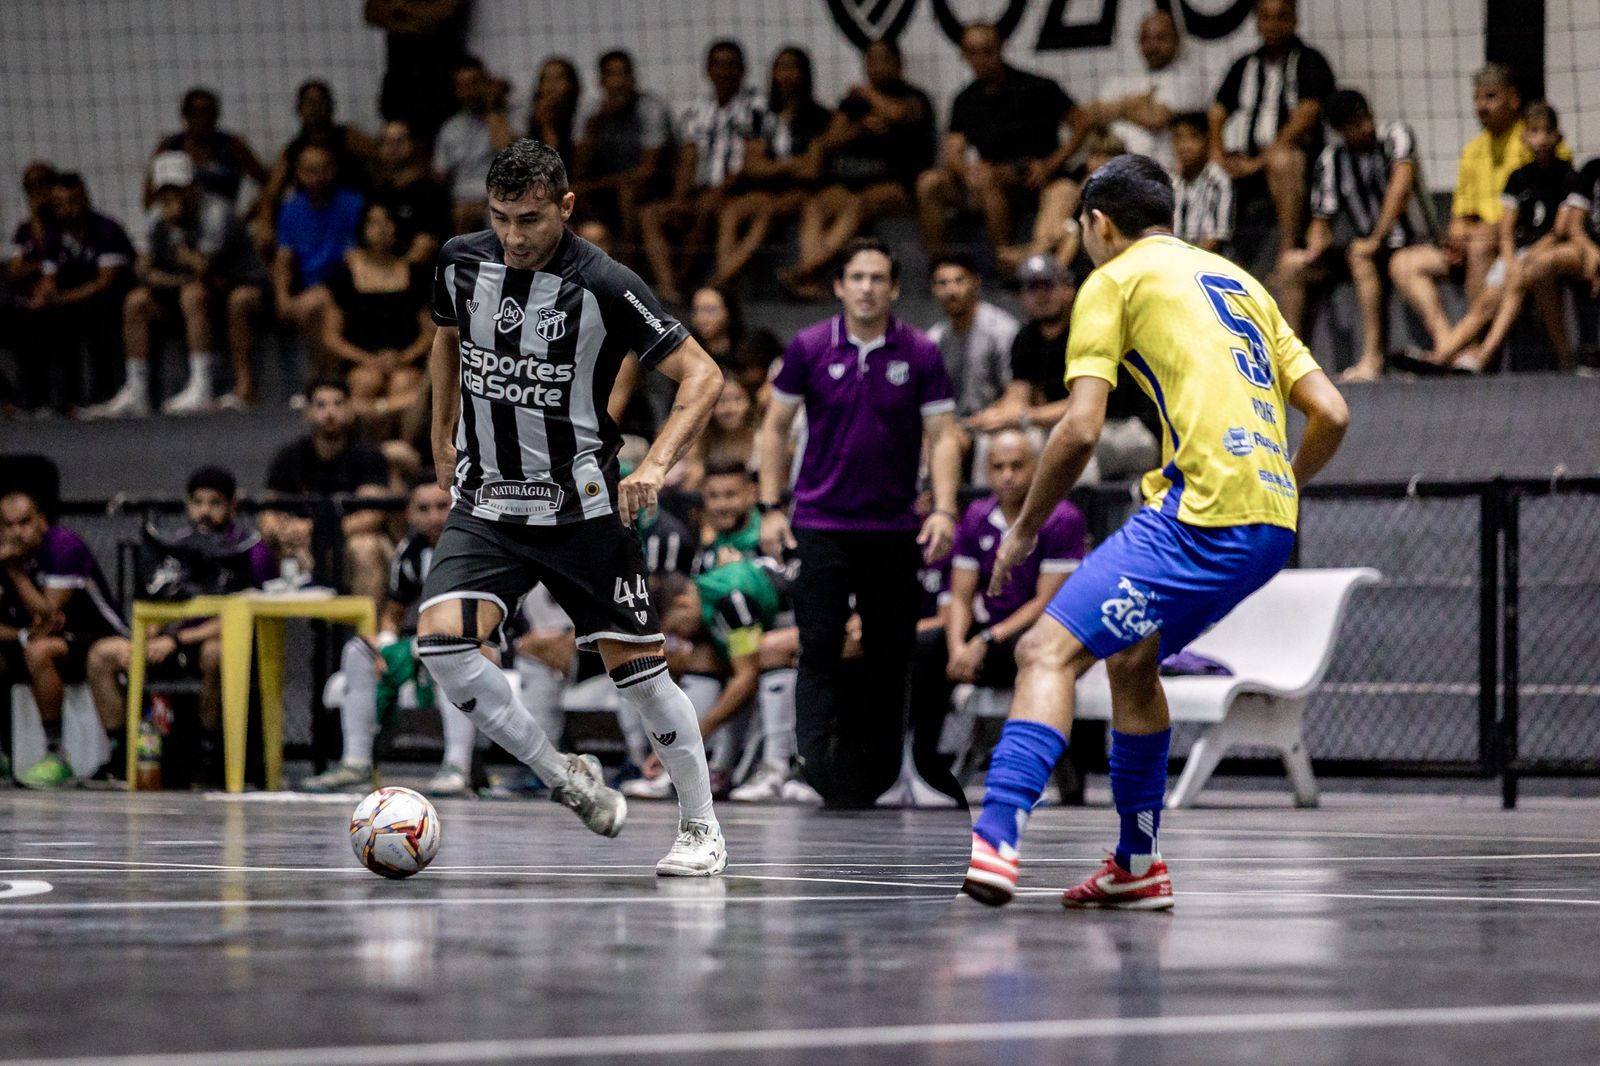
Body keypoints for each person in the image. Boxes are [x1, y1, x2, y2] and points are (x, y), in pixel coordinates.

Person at [960, 154, 1349, 910]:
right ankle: (1137, 866)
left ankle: (998, 834)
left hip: (1198, 511)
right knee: (1133, 662)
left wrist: (1022, 531)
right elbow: (1332, 411)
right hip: (1267, 522)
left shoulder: (1113, 278)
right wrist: (1283, 486)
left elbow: (1078, 430)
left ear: (1099, 225)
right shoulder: (1239, 279)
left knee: (1045, 649)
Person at [418, 139, 730, 874]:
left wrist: (655, 466)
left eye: (530, 219)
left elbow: (704, 376)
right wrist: (441, 437)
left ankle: (701, 827)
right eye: (501, 218)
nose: (514, 237)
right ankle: (565, 779)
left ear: (565, 206)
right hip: (486, 500)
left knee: (642, 678)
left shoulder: (605, 282)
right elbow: (446, 342)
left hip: (581, 510)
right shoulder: (460, 261)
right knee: (442, 644)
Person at [757, 237, 962, 807]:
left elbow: (945, 437)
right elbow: (773, 427)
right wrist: (771, 508)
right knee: (819, 646)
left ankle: (883, 774)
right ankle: (815, 767)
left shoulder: (919, 352)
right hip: (820, 523)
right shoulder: (809, 346)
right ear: (839, 286)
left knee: (889, 652)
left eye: (878, 278)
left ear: (894, 288)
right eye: (857, 277)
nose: (867, 288)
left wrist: (943, 508)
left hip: (895, 529)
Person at [909, 429, 1085, 801]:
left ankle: (1060, 775)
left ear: (1037, 468)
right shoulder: (975, 516)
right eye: (997, 467)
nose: (1007, 475)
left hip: (1041, 634)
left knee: (1036, 650)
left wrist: (986, 639)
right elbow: (960, 594)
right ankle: (925, 771)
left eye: (1016, 466)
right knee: (927, 648)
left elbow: (1046, 602)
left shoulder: (1062, 518)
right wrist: (958, 646)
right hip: (987, 637)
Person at [83, 466, 275, 784]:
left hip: (225, 643)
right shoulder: (174, 547)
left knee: (215, 653)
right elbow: (155, 603)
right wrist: (147, 639)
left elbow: (253, 615)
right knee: (102, 654)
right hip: (173, 640)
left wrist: (179, 638)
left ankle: (209, 754)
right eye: (197, 502)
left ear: (232, 507)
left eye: (214, 503)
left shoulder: (251, 552)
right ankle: (122, 753)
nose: (205, 511)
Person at [303, 477, 479, 796]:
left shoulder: (476, 548)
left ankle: (457, 766)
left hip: (475, 645)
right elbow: (394, 613)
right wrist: (384, 643)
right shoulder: (410, 552)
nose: (434, 517)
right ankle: (355, 762)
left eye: (443, 506)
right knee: (359, 649)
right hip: (421, 647)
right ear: (410, 514)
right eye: (423, 509)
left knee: (447, 651)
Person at [1275, 90, 1441, 380]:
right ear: (1339, 130)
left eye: (1365, 118)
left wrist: (1376, 239)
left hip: (1410, 242)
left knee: (1360, 255)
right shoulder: (1332, 159)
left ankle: (1372, 358)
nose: (1364, 127)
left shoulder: (1396, 136)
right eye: (1353, 124)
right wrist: (1315, 246)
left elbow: (1400, 189)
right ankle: (1291, 363)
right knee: (1291, 265)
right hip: (1366, 246)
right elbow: (1322, 220)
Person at [88, 151, 266, 419]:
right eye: (165, 192)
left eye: (178, 189)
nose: (172, 198)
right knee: (137, 301)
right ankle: (137, 391)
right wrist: (162, 276)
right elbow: (144, 270)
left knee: (193, 294)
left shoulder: (217, 213)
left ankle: (202, 386)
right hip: (191, 293)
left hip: (234, 289)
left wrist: (177, 234)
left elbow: (201, 269)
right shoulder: (159, 219)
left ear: (193, 186)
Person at [1419, 104, 1576, 374]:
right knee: (1487, 301)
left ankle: (1487, 356)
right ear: (1524, 137)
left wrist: (1526, 256)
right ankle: (1441, 356)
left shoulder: (1567, 175)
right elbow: (1506, 229)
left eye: (1546, 132)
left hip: (1547, 251)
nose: (1540, 140)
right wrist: (1510, 257)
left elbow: (1559, 230)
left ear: (1556, 137)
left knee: (1537, 282)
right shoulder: (1518, 178)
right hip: (1518, 253)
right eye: (1534, 132)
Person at [916, 23, 1086, 257]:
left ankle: (1005, 262)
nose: (980, 59)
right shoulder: (965, 100)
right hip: (989, 183)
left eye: (987, 51)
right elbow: (953, 150)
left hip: (1036, 178)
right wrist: (966, 171)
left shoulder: (1036, 87)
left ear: (1001, 49)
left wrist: (1051, 163)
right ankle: (939, 265)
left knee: (990, 178)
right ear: (963, 55)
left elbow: (1081, 123)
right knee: (929, 182)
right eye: (972, 52)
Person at [783, 39, 935, 298]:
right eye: (871, 61)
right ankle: (810, 284)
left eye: (883, 60)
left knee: (860, 204)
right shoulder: (853, 103)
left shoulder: (914, 97)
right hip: (852, 181)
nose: (876, 67)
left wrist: (869, 96)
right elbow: (828, 141)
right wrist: (857, 129)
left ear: (899, 64)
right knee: (816, 204)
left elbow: (899, 114)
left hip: (899, 185)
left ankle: (808, 268)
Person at [1, 491, 127, 788]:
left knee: (39, 651)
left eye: (25, 523)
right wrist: (20, 632)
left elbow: (48, 615)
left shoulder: (63, 546)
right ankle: (4, 753)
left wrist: (14, 573)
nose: (17, 533)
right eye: (8, 525)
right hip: (40, 636)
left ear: (42, 521)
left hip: (94, 633)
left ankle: (56, 754)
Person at [640, 39, 766, 303]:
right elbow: (688, 159)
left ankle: (695, 281)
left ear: (742, 70)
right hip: (700, 191)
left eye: (731, 65)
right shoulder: (695, 109)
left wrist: (719, 191)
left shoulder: (755, 106)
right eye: (718, 64)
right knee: (651, 215)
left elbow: (750, 161)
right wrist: (679, 198)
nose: (724, 71)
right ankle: (669, 290)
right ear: (707, 70)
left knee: (708, 209)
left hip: (739, 190)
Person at [1210, 0, 1335, 255]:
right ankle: (1205, 249)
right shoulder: (1244, 64)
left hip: (1297, 162)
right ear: (1257, 22)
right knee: (1196, 162)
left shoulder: (1310, 60)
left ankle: (1288, 247)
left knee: (1282, 160)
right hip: (1247, 158)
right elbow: (1217, 110)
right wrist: (1217, 152)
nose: (1273, 25)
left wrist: (1259, 161)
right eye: (1265, 18)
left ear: (1294, 20)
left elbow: (1307, 113)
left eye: (1281, 17)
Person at [260, 378, 395, 601]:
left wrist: (316, 531)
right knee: (268, 546)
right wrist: (281, 531)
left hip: (350, 540)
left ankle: (368, 634)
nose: (329, 412)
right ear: (307, 412)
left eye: (338, 404)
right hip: (303, 542)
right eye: (320, 405)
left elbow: (371, 517)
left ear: (351, 411)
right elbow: (267, 511)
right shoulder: (289, 456)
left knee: (366, 547)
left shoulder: (368, 455)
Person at [709, 47, 831, 288]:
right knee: (732, 212)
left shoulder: (819, 116)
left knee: (770, 209)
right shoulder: (759, 114)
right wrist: (792, 164)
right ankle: (726, 276)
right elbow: (752, 166)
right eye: (781, 67)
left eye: (793, 67)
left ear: (805, 73)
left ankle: (719, 283)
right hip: (760, 190)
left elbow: (811, 170)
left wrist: (772, 166)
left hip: (798, 193)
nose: (786, 74)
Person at [19, 174, 135, 413]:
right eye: (60, 203)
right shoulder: (55, 234)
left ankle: (103, 396)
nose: (67, 209)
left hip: (112, 301)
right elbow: (50, 277)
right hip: (76, 304)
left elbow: (105, 282)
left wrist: (61, 298)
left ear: (85, 200)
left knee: (96, 317)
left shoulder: (106, 229)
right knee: (35, 318)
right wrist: (43, 296)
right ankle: (45, 400)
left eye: (73, 201)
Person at [321, 202, 435, 421]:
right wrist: (368, 359)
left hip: (404, 360)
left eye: (388, 222)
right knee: (365, 381)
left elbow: (428, 332)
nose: (382, 229)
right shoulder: (344, 278)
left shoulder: (416, 276)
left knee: (404, 382)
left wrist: (403, 357)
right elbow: (331, 337)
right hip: (360, 361)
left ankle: (402, 450)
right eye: (374, 222)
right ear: (363, 229)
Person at [570, 50, 674, 251]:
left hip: (655, 185)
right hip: (606, 187)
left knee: (626, 191)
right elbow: (578, 169)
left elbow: (648, 170)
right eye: (611, 75)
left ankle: (628, 258)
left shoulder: (650, 108)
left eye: (623, 74)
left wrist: (599, 184)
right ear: (600, 81)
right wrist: (596, 126)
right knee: (570, 195)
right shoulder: (591, 111)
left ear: (633, 78)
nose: (618, 82)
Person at [1081, 10, 1210, 171]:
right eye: (1145, 39)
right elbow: (1087, 114)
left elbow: (1155, 118)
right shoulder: (1123, 79)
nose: (1152, 46)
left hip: (1157, 169)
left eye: (1160, 38)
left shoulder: (1187, 77)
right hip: (1111, 163)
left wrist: (1115, 108)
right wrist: (1137, 102)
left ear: (1177, 40)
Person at [259, 80, 375, 241]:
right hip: (314, 220)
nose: (316, 107)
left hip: (351, 215)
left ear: (331, 106)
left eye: (322, 101)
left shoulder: (349, 137)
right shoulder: (293, 150)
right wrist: (265, 225)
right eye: (310, 102)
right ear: (299, 108)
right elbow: (270, 195)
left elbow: (381, 162)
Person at [272, 146, 364, 347]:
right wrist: (282, 297)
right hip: (308, 286)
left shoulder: (355, 205)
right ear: (299, 174)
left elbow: (358, 257)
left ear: (334, 170)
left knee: (317, 304)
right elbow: (283, 259)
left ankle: (323, 373)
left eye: (323, 169)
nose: (318, 178)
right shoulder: (291, 210)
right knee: (307, 306)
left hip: (344, 285)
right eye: (310, 171)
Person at [925, 250, 1018, 420]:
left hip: (999, 422)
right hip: (952, 428)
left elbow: (1017, 394)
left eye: (959, 281)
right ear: (933, 290)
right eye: (942, 283)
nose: (951, 290)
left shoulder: (1002, 329)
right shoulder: (933, 339)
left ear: (976, 282)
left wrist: (980, 422)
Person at [144, 88, 267, 213]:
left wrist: (253, 213)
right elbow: (148, 198)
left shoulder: (232, 146)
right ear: (185, 115)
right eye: (196, 113)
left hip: (223, 223)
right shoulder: (169, 148)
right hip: (181, 222)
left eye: (209, 112)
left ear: (217, 115)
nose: (203, 119)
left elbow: (268, 184)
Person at [366, 0, 470, 148]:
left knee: (440, 147)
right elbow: (372, 14)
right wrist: (417, 16)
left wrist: (399, 10)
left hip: (440, 79)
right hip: (400, 80)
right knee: (398, 144)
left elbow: (442, 13)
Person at [434, 56, 518, 235]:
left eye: (474, 83)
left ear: (486, 82)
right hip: (461, 201)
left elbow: (508, 153)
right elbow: (440, 176)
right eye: (462, 86)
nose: (469, 92)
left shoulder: (507, 117)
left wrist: (493, 106)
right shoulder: (450, 128)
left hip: (500, 197)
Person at [371, 120, 453, 265]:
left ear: (415, 144)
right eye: (385, 141)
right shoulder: (376, 192)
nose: (391, 148)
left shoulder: (432, 192)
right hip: (379, 273)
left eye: (399, 141)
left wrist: (395, 274)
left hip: (420, 274)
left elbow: (426, 245)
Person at [1169, 112, 1233, 254]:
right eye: (1179, 138)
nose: (1185, 146)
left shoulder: (1219, 181)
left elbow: (1217, 238)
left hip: (1211, 262)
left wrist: (1186, 260)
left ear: (1206, 140)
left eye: (1192, 137)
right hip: (1175, 259)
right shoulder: (1171, 182)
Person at [527, 57, 582, 169]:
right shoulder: (530, 116)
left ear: (571, 84)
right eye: (546, 79)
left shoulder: (581, 114)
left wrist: (547, 126)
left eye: (558, 78)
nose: (551, 86)